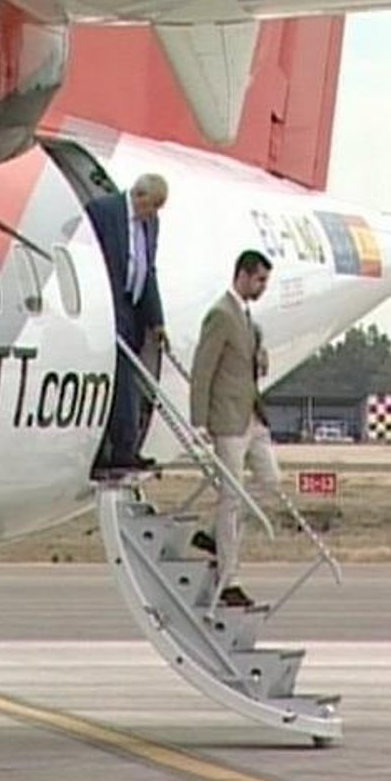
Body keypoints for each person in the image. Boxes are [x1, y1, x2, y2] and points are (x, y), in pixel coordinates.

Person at [189, 250, 278, 608]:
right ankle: (229, 579)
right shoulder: (221, 315)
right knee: (231, 497)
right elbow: (203, 370)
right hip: (227, 420)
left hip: (251, 417)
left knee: (269, 480)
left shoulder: (247, 318)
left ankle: (214, 535)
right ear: (242, 275)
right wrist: (199, 422)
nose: (263, 287)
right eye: (260, 280)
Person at [87, 173, 169, 470]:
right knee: (123, 379)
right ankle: (121, 449)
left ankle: (123, 446)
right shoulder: (103, 212)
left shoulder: (151, 224)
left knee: (128, 378)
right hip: (109, 306)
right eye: (152, 206)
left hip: (132, 310)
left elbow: (148, 271)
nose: (153, 214)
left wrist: (157, 321)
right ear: (139, 195)